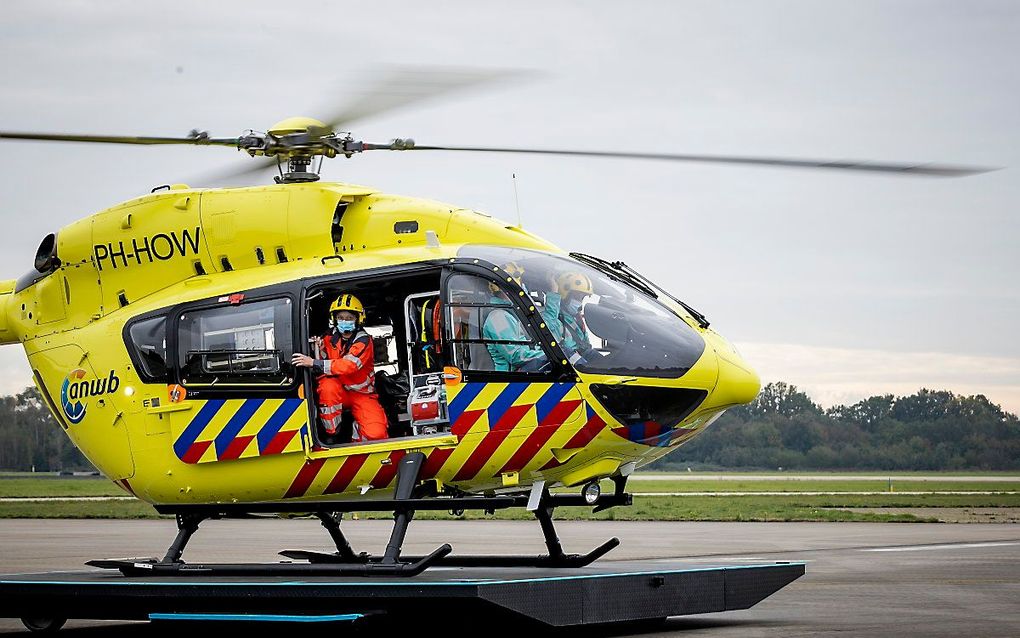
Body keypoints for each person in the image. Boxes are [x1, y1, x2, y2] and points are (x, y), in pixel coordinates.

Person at [291, 293, 388, 442]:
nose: (344, 321)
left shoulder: (364, 340)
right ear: (334, 319)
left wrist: (313, 362)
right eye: (340, 318)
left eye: (349, 318)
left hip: (361, 393)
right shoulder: (327, 338)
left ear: (358, 319)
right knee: (327, 387)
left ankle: (357, 435)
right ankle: (333, 433)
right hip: (338, 390)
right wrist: (320, 349)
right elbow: (323, 365)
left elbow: (348, 365)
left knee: (377, 434)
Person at [482, 262, 548, 372]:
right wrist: (547, 355)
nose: (523, 290)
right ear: (507, 291)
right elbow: (515, 356)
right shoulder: (498, 318)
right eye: (520, 287)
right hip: (510, 382)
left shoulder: (512, 315)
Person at [556, 271, 598, 361]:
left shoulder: (577, 319)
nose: (579, 302)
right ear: (564, 295)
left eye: (582, 298)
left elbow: (586, 345)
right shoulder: (554, 318)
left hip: (582, 357)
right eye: (576, 297)